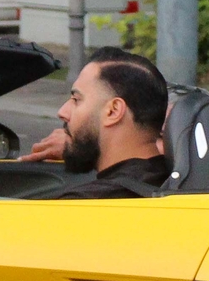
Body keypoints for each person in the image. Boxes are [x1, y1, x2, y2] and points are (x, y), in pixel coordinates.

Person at [22, 46, 172, 197]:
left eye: (76, 100)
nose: (62, 112)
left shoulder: (82, 206)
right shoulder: (176, 183)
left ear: (113, 111)